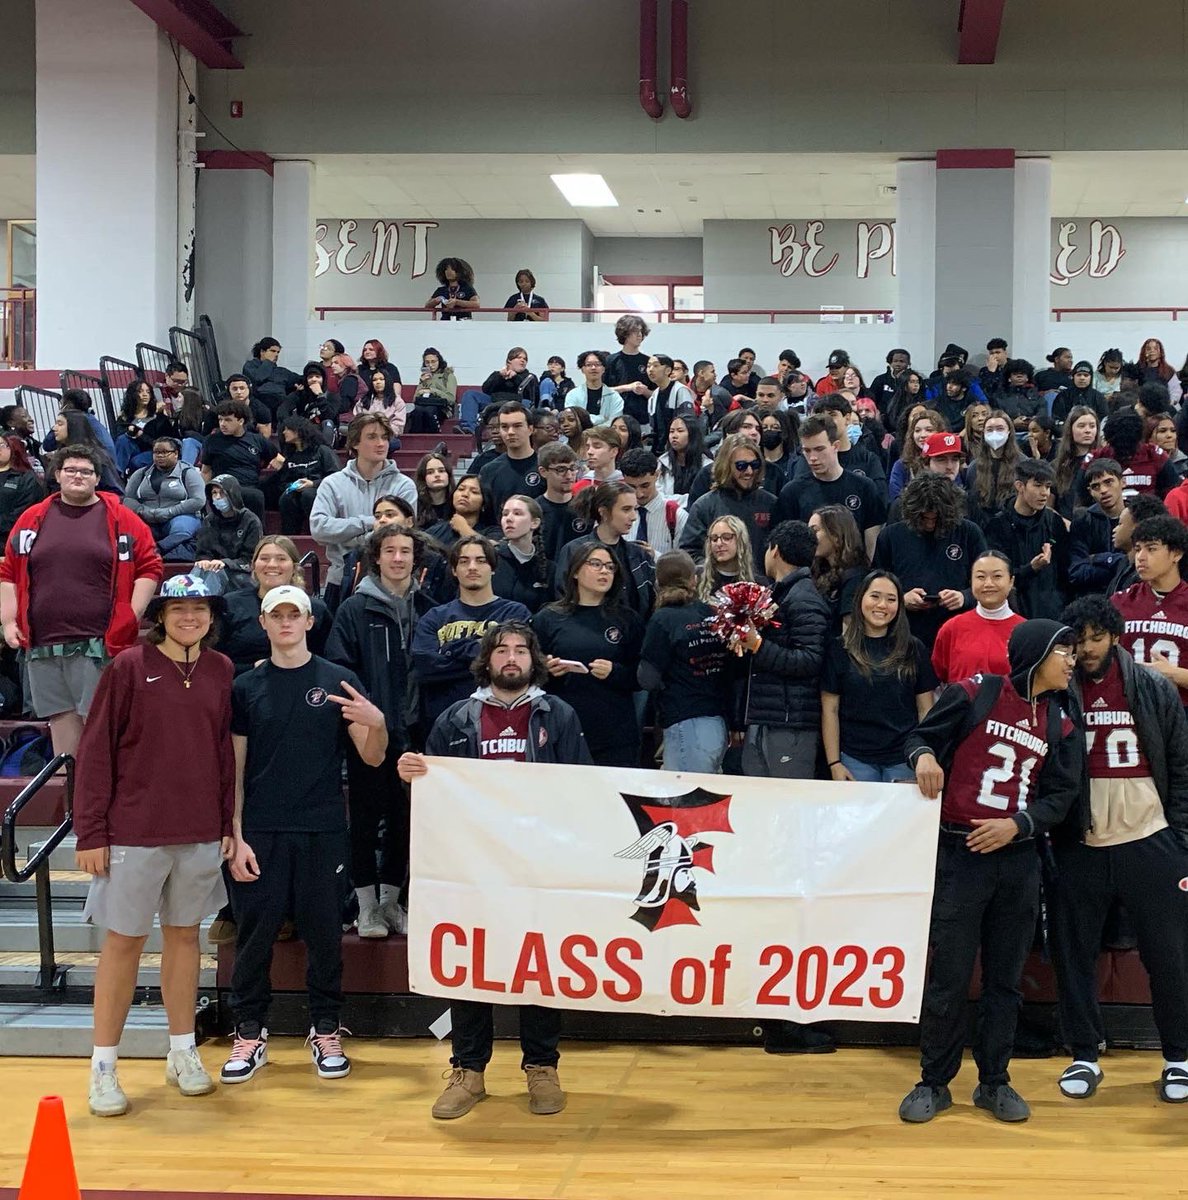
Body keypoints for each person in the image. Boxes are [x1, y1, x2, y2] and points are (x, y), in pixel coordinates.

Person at [398, 622, 590, 1120]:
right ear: (486, 660)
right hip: (473, 867)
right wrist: (412, 775)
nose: (511, 658)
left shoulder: (559, 715)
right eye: (501, 650)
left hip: (538, 866)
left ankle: (542, 1067)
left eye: (521, 650)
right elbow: (432, 790)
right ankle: (469, 1071)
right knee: (471, 965)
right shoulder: (457, 718)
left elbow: (583, 792)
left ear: (535, 660)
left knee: (539, 965)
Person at [900, 620, 1082, 1124]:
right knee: (951, 975)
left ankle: (994, 1081)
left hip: (1018, 858)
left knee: (1006, 979)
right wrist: (924, 759)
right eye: (1061, 651)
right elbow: (918, 738)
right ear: (1035, 655)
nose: (1071, 659)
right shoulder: (975, 693)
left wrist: (1019, 825)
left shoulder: (1057, 722)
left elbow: (1062, 797)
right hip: (960, 853)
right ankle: (933, 1081)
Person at [75, 576, 232, 1118]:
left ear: (212, 615)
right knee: (123, 944)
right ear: (161, 615)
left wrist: (225, 824)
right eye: (179, 608)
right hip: (133, 833)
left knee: (187, 940)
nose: (190, 616)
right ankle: (103, 1065)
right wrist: (90, 830)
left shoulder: (220, 670)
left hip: (200, 833)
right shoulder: (127, 668)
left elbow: (223, 757)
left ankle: (183, 1051)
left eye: (200, 608)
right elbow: (95, 752)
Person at [222, 585, 385, 1086]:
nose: (287, 622)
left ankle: (325, 1027)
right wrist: (236, 835)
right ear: (265, 623)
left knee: (324, 936)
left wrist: (376, 721)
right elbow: (235, 767)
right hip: (261, 832)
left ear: (310, 622)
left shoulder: (339, 681)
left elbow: (373, 756)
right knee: (254, 938)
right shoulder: (246, 688)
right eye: (278, 614)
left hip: (322, 829)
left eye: (296, 614)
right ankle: (250, 1032)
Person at [1051, 595, 1188, 1104]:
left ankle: (1178, 1057)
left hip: (1151, 839)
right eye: (1078, 639)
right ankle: (1084, 1053)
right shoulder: (1057, 693)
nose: (1087, 649)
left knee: (1168, 957)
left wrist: (1180, 839)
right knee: (1074, 954)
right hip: (1081, 843)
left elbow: (1181, 759)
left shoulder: (1152, 687)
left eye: (1096, 637)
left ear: (1114, 637)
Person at [0, 443, 161, 757]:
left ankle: (105, 803)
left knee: (103, 730)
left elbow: (149, 566)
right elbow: (8, 572)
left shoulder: (122, 519)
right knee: (62, 732)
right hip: (43, 644)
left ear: (97, 478)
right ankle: (74, 802)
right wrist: (8, 621)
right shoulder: (33, 518)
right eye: (70, 470)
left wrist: (133, 613)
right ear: (57, 475)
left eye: (86, 471)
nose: (78, 476)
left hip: (98, 643)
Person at [327, 525, 437, 939]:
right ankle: (367, 907)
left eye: (405, 551)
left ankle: (392, 902)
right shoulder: (356, 609)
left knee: (405, 818)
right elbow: (342, 668)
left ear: (414, 558)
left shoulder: (429, 606)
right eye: (389, 550)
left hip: (416, 732)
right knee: (367, 819)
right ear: (376, 557)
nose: (397, 558)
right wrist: (370, 718)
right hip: (372, 733)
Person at [532, 540, 645, 768]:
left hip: (615, 731)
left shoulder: (627, 619)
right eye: (595, 564)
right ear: (575, 572)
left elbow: (642, 677)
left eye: (610, 566)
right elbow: (531, 672)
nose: (604, 571)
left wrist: (615, 672)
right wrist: (548, 669)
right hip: (562, 726)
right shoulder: (548, 617)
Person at [734, 520, 829, 781]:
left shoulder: (804, 598)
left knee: (789, 808)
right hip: (768, 716)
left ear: (774, 550)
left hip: (791, 723)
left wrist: (758, 645)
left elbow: (811, 660)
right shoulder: (781, 594)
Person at [821, 569, 936, 783]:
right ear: (860, 599)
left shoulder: (914, 648)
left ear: (899, 607)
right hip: (854, 759)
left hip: (904, 758)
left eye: (891, 599)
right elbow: (830, 709)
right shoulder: (839, 649)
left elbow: (925, 710)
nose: (882, 605)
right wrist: (834, 763)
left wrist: (924, 755)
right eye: (875, 596)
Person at [412, 535, 532, 727]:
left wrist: (451, 650)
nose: (472, 567)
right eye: (464, 561)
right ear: (454, 570)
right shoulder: (434, 617)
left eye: (481, 560)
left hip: (501, 720)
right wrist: (484, 653)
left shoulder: (514, 613)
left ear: (492, 569)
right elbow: (426, 668)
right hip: (444, 722)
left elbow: (511, 664)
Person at [310, 412, 417, 609]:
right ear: (355, 443)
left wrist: (347, 536)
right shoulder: (332, 484)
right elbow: (319, 528)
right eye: (372, 437)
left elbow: (401, 534)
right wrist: (368, 523)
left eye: (385, 437)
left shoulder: (404, 485)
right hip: (341, 581)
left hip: (391, 583)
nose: (381, 443)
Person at [639, 550, 730, 773]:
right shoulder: (711, 613)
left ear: (658, 582)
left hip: (684, 721)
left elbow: (647, 679)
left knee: (686, 802)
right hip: (718, 722)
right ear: (694, 579)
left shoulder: (662, 619)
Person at [872, 473, 986, 650]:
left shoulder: (969, 532)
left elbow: (988, 582)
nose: (930, 524)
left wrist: (965, 597)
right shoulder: (891, 536)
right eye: (925, 518)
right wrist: (901, 599)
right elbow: (875, 586)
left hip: (958, 630)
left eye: (936, 518)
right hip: (906, 632)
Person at [214, 536, 332, 676]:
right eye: (264, 558)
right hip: (242, 687)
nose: (272, 565)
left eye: (281, 559)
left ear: (294, 567)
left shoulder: (316, 609)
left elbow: (328, 659)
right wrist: (251, 668)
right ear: (254, 565)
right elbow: (214, 662)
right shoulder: (230, 604)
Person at [774, 416, 885, 559]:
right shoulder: (792, 492)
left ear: (836, 446)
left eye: (819, 449)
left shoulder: (864, 487)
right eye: (807, 451)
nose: (813, 457)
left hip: (855, 573)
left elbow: (872, 545)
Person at [1111, 515, 1188, 711]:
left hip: (1182, 709)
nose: (1141, 557)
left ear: (1176, 554)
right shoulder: (1119, 602)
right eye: (1137, 549)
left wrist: (1174, 674)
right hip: (1132, 711)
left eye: (1151, 549)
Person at [554, 480, 655, 616]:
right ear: (604, 512)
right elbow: (563, 599)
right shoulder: (574, 551)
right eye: (626, 509)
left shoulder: (640, 554)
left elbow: (651, 603)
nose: (633, 517)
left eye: (634, 509)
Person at [985, 459, 1070, 620]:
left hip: (1053, 614)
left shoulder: (1053, 522)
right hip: (1014, 614)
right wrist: (1031, 568)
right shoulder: (997, 526)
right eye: (1038, 486)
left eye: (1048, 486)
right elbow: (997, 576)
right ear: (1020, 486)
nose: (1044, 493)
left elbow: (1065, 573)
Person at [680, 434, 777, 571]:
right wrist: (719, 571)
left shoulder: (771, 504)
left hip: (762, 587)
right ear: (725, 466)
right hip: (717, 587)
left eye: (754, 465)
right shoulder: (704, 506)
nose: (749, 471)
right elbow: (689, 553)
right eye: (741, 466)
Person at [929, 550, 1024, 683]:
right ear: (971, 582)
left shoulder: (1025, 631)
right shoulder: (952, 628)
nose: (988, 583)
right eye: (980, 577)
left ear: (1011, 581)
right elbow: (938, 679)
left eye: (997, 576)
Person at [124, 438, 206, 561]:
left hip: (179, 515)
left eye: (165, 452)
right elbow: (128, 499)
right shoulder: (141, 473)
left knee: (181, 529)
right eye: (156, 452)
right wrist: (143, 510)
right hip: (148, 515)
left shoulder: (188, 473)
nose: (160, 456)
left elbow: (198, 500)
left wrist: (170, 512)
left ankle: (161, 551)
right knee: (129, 530)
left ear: (176, 454)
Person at [199, 399, 277, 523]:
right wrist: (205, 495)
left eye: (228, 420)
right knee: (253, 495)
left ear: (241, 421)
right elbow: (206, 471)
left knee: (257, 494)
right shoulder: (212, 441)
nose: (222, 424)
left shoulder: (257, 440)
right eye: (220, 419)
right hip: (223, 488)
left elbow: (278, 460)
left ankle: (258, 535)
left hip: (250, 486)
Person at [193, 476, 264, 596]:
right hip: (214, 569)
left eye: (222, 493)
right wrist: (204, 561)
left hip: (242, 573)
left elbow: (251, 560)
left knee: (216, 573)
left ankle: (207, 606)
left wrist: (225, 563)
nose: (217, 497)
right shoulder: (209, 520)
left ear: (233, 494)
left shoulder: (250, 520)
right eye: (214, 493)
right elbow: (203, 552)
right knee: (198, 571)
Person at [269, 417, 340, 536]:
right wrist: (293, 486)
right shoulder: (291, 456)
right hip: (297, 492)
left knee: (308, 494)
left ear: (297, 431)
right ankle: (289, 536)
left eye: (287, 429)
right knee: (286, 497)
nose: (283, 432)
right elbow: (282, 481)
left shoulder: (322, 451)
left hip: (321, 490)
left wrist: (313, 484)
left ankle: (322, 532)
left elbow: (336, 477)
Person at [479, 401, 546, 524]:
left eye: (517, 426)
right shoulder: (489, 470)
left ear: (530, 429)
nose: (510, 432)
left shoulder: (545, 468)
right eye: (504, 427)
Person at [1068, 459, 1127, 597]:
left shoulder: (1138, 517)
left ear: (1122, 482)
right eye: (1096, 486)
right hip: (1093, 598)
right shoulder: (1083, 520)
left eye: (1108, 482)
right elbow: (1076, 572)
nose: (1103, 490)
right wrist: (1119, 566)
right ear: (1090, 491)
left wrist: (1103, 559)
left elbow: (1137, 566)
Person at [808, 506, 868, 634]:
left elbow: (849, 633)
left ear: (836, 535)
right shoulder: (818, 572)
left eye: (815, 531)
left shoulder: (855, 577)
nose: (809, 538)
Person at [492, 495, 554, 613]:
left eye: (517, 513)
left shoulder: (549, 569)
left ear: (534, 523)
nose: (508, 519)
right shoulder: (490, 561)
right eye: (505, 514)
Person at [621, 447, 681, 557]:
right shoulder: (616, 513)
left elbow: (686, 564)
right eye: (632, 487)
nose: (639, 494)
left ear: (657, 475)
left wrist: (655, 556)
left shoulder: (677, 515)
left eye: (645, 485)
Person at [49, 411, 123, 494]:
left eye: (60, 424)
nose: (54, 428)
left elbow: (115, 491)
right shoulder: (61, 454)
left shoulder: (97, 457)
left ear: (74, 427)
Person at [697, 514, 765, 599]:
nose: (719, 544)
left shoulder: (758, 584)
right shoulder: (697, 578)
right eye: (714, 539)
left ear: (741, 540)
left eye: (726, 537)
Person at [1052, 405, 1102, 518]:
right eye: (1081, 426)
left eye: (1092, 426)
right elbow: (1049, 507)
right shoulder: (1057, 466)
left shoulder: (1104, 462)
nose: (1088, 430)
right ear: (1070, 430)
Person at [536, 442, 582, 562]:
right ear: (543, 471)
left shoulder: (585, 509)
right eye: (561, 469)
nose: (569, 475)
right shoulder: (534, 511)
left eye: (572, 468)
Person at [888, 408, 944, 501]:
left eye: (929, 430)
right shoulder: (901, 465)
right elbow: (895, 499)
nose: (922, 435)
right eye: (917, 431)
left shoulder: (948, 462)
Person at [604, 315, 652, 425]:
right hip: (615, 417)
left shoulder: (648, 361)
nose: (639, 335)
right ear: (625, 333)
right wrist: (628, 388)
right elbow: (603, 391)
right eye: (635, 331)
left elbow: (655, 393)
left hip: (642, 418)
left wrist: (644, 391)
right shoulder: (611, 360)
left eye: (641, 332)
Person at [276, 363, 338, 444]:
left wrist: (320, 396)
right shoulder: (299, 394)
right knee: (283, 424)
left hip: (324, 429)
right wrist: (292, 423)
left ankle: (325, 451)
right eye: (310, 377)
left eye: (318, 377)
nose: (314, 379)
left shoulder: (332, 396)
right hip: (304, 428)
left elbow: (330, 416)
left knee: (328, 422)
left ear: (323, 379)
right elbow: (282, 411)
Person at [241, 337, 300, 421]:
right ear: (262, 352)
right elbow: (258, 378)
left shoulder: (281, 371)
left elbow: (299, 379)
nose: (276, 354)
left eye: (278, 352)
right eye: (272, 351)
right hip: (260, 402)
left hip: (281, 404)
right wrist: (268, 362)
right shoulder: (250, 366)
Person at [645, 353, 695, 448]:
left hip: (678, 448)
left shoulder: (680, 391)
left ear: (668, 370)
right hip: (659, 448)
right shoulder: (654, 396)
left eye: (655, 365)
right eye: (648, 366)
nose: (650, 370)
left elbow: (689, 422)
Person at [0, 435, 43, 543]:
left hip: (12, 538)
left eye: (1, 445)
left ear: (11, 448)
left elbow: (25, 509)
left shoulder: (25, 478)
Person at [406, 347, 457, 434]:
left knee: (428, 412)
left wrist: (431, 390)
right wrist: (421, 382)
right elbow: (415, 399)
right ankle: (416, 440)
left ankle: (434, 437)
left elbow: (451, 398)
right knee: (416, 413)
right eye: (427, 362)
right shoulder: (425, 377)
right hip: (423, 406)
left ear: (439, 361)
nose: (430, 365)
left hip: (441, 408)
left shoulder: (448, 376)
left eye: (433, 362)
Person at [567, 350, 624, 425]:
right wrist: (602, 418)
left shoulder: (615, 397)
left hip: (606, 435)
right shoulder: (573, 395)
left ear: (603, 369)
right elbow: (572, 420)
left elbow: (614, 423)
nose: (593, 368)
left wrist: (588, 421)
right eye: (589, 365)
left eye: (597, 364)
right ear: (582, 369)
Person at [357, 368, 407, 441]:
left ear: (387, 381)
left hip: (386, 436)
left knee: (394, 443)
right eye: (374, 380)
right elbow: (357, 421)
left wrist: (379, 431)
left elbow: (398, 427)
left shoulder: (397, 401)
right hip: (366, 435)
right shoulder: (363, 401)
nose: (378, 382)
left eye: (381, 379)